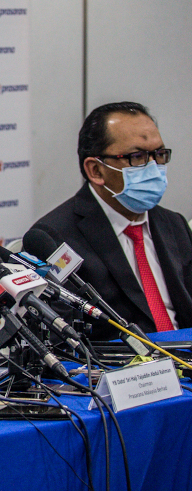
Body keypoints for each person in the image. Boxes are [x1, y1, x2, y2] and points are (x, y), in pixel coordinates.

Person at [32, 102, 192, 337]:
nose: (153, 168)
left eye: (158, 154)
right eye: (137, 157)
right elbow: (58, 340)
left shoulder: (173, 224)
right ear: (96, 170)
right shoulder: (54, 237)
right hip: (120, 368)